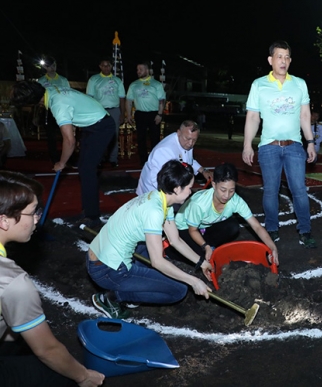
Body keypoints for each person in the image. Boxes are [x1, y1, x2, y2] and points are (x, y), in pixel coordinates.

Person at [0, 170, 105, 386]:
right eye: (32, 212)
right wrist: (84, 375)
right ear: (4, 220)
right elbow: (47, 350)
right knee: (60, 373)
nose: (38, 218)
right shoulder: (12, 282)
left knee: (14, 338)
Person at [87, 160, 212, 319]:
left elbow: (175, 240)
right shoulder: (155, 212)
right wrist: (193, 281)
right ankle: (112, 297)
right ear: (176, 188)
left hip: (99, 256)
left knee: (149, 246)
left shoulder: (159, 198)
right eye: (189, 188)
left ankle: (135, 286)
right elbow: (157, 262)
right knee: (178, 290)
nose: (191, 192)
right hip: (108, 270)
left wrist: (201, 262)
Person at [242, 40, 317, 249]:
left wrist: (310, 142)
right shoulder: (259, 84)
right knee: (270, 190)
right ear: (270, 60)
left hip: (294, 146)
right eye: (279, 57)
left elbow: (304, 115)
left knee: (299, 190)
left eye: (286, 57)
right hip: (268, 146)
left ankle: (305, 230)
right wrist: (248, 145)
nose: (283, 61)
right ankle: (272, 230)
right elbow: (253, 117)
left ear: (290, 60)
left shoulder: (300, 83)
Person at [11, 81, 115, 229]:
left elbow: (69, 141)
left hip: (101, 127)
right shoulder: (51, 90)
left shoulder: (57, 105)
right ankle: (88, 212)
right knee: (84, 169)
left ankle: (92, 217)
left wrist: (62, 163)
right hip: (92, 124)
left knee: (87, 169)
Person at [173, 163, 279, 265]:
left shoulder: (236, 201)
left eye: (231, 190)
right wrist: (206, 246)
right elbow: (193, 230)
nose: (227, 195)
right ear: (214, 184)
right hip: (185, 228)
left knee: (232, 226)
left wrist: (272, 247)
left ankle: (207, 245)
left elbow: (256, 226)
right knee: (200, 258)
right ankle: (170, 251)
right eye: (223, 190)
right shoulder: (199, 204)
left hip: (204, 226)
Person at [136, 120, 211, 196]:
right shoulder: (165, 151)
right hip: (153, 191)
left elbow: (188, 159)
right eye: (187, 139)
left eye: (194, 140)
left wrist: (203, 171)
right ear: (178, 133)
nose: (190, 143)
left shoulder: (184, 142)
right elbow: (156, 179)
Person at [86, 57, 126, 167]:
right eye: (103, 65)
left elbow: (122, 98)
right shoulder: (94, 79)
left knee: (114, 135)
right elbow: (90, 98)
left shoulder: (117, 81)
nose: (106, 67)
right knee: (99, 136)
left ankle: (113, 159)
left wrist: (122, 113)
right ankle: (100, 158)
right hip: (99, 111)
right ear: (100, 66)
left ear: (111, 66)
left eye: (108, 65)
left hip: (114, 110)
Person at [125, 61, 165, 166]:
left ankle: (155, 160)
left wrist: (160, 114)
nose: (138, 72)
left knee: (155, 138)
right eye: (137, 70)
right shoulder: (134, 85)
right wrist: (128, 115)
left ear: (147, 70)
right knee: (140, 138)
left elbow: (161, 100)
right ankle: (143, 161)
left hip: (153, 114)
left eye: (141, 69)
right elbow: (129, 100)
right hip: (140, 114)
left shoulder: (156, 84)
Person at [38, 56, 70, 164]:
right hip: (48, 110)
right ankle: (54, 157)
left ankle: (67, 156)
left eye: (54, 65)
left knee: (65, 135)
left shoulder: (63, 80)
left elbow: (69, 94)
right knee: (51, 136)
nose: (52, 68)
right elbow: (38, 96)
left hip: (62, 110)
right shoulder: (42, 81)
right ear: (45, 67)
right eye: (50, 66)